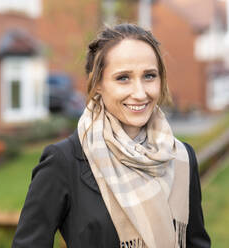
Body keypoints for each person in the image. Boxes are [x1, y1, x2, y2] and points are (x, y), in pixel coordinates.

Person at [11, 23, 211, 248]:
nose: (140, 92)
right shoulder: (64, 162)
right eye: (123, 78)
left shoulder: (182, 158)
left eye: (149, 76)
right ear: (97, 84)